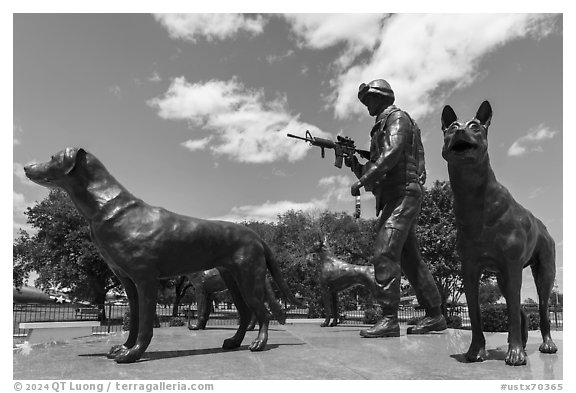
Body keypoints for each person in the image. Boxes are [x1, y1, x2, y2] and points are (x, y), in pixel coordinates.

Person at [346, 79, 446, 337]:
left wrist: (362, 179)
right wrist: (355, 165)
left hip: (404, 194)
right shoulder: (380, 124)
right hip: (395, 196)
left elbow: (391, 154)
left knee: (385, 251)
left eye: (370, 98)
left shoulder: (396, 118)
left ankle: (390, 318)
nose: (367, 104)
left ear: (382, 97)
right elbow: (378, 168)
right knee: (411, 261)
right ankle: (436, 315)